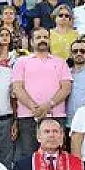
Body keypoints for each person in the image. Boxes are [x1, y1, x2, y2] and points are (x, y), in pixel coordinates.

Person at [12, 28, 72, 160]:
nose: (42, 40)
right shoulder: (21, 62)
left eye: (45, 37)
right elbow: (17, 88)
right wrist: (34, 107)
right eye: (38, 37)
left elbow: (66, 88)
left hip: (56, 115)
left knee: (57, 155)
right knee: (30, 157)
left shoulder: (60, 62)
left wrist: (48, 105)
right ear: (32, 42)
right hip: (29, 116)